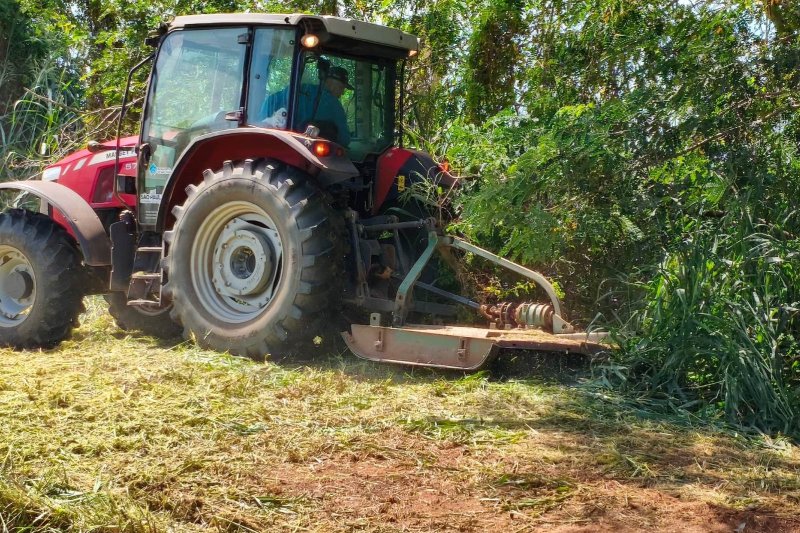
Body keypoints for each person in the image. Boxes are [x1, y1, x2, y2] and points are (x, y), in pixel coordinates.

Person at [260, 66, 352, 147]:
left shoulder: (274, 98)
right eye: (341, 88)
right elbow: (344, 140)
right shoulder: (333, 104)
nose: (342, 93)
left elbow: (260, 124)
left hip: (270, 148)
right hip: (308, 159)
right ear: (331, 85)